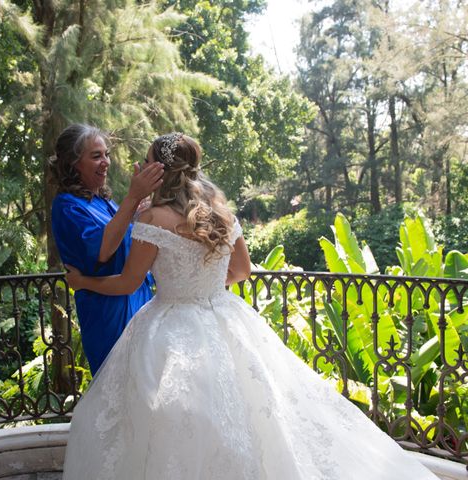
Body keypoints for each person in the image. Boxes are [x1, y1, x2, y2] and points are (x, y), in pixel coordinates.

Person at [60, 133, 437, 479]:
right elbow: (241, 271)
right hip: (224, 315)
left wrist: (82, 282)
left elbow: (127, 282)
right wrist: (201, 284)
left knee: (166, 417)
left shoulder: (152, 218)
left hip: (170, 324)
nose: (141, 170)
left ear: (161, 171)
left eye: (147, 163)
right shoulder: (220, 212)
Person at [49, 124, 164, 375]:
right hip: (108, 315)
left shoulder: (103, 201)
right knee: (120, 387)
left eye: (106, 154)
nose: (106, 162)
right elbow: (103, 251)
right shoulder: (67, 207)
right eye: (96, 156)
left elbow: (124, 239)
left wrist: (136, 212)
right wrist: (132, 198)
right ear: (73, 163)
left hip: (138, 301)